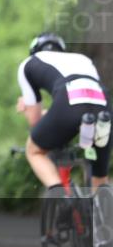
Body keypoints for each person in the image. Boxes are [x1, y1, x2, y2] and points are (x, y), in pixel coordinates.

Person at [16, 33, 111, 192]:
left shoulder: (28, 64)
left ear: (34, 50)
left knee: (34, 151)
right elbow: (86, 98)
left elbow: (35, 120)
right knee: (100, 177)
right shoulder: (83, 59)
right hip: (102, 105)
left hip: (68, 105)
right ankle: (103, 210)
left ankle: (59, 194)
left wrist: (26, 106)